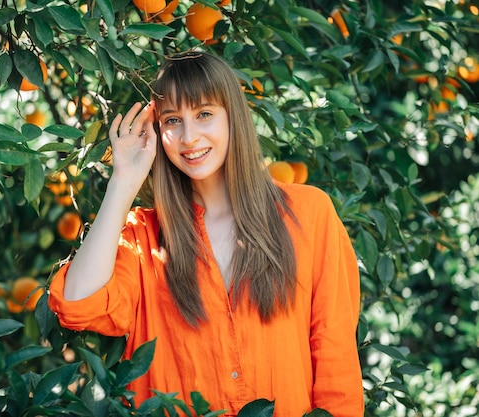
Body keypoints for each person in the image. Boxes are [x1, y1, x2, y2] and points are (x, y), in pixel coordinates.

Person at [48, 51, 364, 416]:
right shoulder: (143, 237)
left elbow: (335, 359)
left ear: (233, 116)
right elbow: (77, 305)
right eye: (172, 120)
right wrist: (124, 180)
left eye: (204, 114)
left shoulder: (309, 214)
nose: (188, 136)